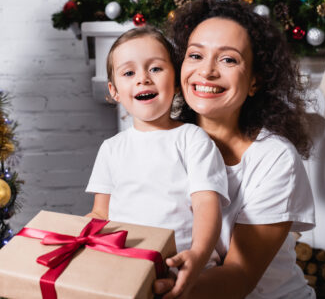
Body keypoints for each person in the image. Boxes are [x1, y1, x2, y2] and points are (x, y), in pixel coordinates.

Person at [153, 0, 316, 299]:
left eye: (228, 59)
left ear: (254, 81)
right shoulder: (160, 143)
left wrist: (159, 292)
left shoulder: (274, 158)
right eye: (195, 55)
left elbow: (240, 276)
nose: (207, 71)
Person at [85, 26, 230, 297]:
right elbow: (100, 214)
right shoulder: (111, 149)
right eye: (129, 73)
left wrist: (197, 255)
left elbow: (206, 204)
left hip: (182, 265)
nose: (143, 79)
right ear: (114, 91)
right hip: (128, 266)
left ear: (176, 81)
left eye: (155, 69)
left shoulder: (191, 139)